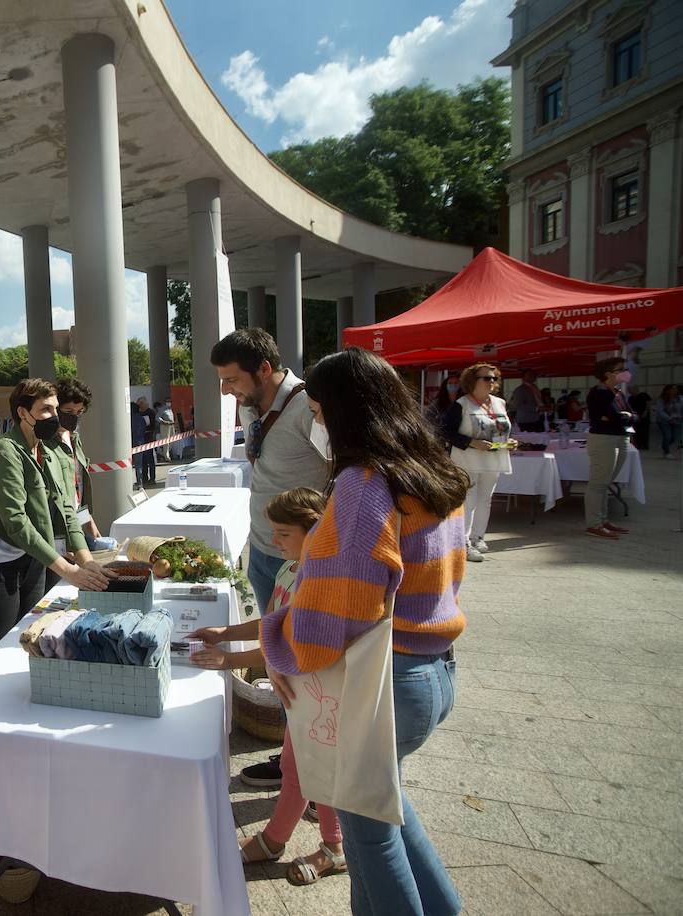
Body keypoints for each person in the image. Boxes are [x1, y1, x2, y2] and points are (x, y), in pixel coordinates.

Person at [262, 347, 466, 916]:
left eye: (321, 414)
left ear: (344, 412)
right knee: (388, 810)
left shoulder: (362, 484)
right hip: (433, 669)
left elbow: (338, 608)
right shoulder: (430, 472)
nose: (318, 426)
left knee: (369, 833)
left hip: (385, 683)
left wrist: (282, 646)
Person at [186, 488, 345, 886]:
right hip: (303, 694)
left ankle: (329, 848)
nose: (274, 542)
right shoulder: (292, 568)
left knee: (313, 772)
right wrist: (227, 631)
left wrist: (231, 659)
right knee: (299, 768)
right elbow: (273, 624)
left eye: (283, 533)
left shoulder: (320, 579)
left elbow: (288, 642)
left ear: (315, 530)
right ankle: (291, 842)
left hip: (319, 696)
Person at [212, 329, 329, 789]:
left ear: (264, 369)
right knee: (280, 658)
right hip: (263, 551)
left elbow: (339, 475)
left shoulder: (307, 409)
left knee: (306, 664)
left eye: (231, 379)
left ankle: (319, 777)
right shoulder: (250, 403)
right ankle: (293, 764)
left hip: (305, 560)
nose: (226, 390)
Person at [0, 378, 111, 654]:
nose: (55, 416)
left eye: (55, 409)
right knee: (0, 652)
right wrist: (68, 570)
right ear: (23, 413)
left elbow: (66, 510)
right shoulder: (4, 451)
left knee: (32, 639)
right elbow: (16, 522)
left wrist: (87, 561)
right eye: (46, 409)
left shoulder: (44, 450)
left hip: (30, 561)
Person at [46, 378, 117, 591]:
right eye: (68, 410)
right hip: (55, 531)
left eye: (79, 412)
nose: (73, 417)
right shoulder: (44, 443)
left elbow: (76, 489)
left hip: (75, 524)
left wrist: (88, 520)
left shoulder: (74, 438)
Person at [443, 363, 514, 562]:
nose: (491, 382)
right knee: (469, 500)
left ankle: (478, 537)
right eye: (486, 378)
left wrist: (510, 442)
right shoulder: (462, 404)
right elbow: (445, 431)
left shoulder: (499, 403)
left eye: (494, 378)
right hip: (467, 460)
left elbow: (502, 428)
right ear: (473, 381)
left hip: (494, 459)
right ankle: (463, 543)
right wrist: (471, 442)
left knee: (485, 499)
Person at [584, 357, 635, 539]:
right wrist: (623, 416)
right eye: (621, 369)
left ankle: (603, 520)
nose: (625, 371)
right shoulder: (599, 392)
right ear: (608, 374)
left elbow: (627, 415)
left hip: (619, 437)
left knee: (605, 482)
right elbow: (609, 416)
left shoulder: (617, 392)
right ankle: (594, 524)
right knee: (598, 483)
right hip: (604, 438)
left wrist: (624, 416)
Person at [131, 397, 156, 488]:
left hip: (148, 439)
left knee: (149, 460)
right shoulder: (140, 415)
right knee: (143, 462)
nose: (139, 406)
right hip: (142, 440)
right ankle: (144, 479)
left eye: (140, 404)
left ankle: (151, 478)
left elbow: (152, 426)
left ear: (143, 403)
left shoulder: (150, 412)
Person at [658, 385, 681, 457]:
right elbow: (660, 411)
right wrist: (669, 418)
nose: (675, 390)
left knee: (674, 437)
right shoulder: (661, 399)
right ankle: (667, 452)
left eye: (676, 389)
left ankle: (664, 445)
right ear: (667, 391)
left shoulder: (680, 399)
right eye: (673, 389)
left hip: (677, 420)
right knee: (667, 435)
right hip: (664, 420)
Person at [628, 387, 652, 451]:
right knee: (637, 430)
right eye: (629, 390)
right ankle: (638, 444)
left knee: (645, 431)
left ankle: (644, 445)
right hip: (636, 416)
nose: (630, 392)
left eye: (631, 390)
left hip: (644, 416)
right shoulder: (630, 398)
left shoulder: (643, 395)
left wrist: (646, 411)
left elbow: (648, 403)